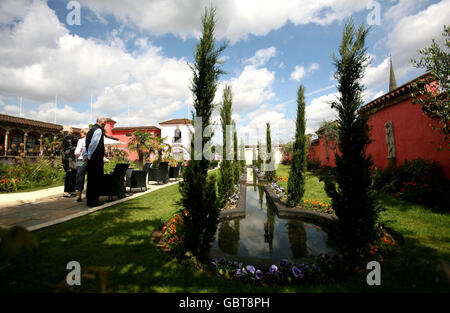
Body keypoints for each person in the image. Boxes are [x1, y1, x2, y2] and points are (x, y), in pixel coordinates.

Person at [83, 117, 106, 207]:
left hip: (91, 158)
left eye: (105, 123)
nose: (104, 124)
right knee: (96, 179)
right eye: (103, 123)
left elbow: (86, 144)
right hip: (95, 159)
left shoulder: (90, 130)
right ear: (99, 122)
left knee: (91, 179)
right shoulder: (98, 130)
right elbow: (93, 144)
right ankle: (94, 200)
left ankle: (90, 200)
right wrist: (88, 155)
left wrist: (86, 154)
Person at [62, 126, 77, 198]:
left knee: (73, 173)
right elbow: (71, 146)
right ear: (68, 130)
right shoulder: (67, 137)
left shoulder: (70, 137)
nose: (72, 129)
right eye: (71, 128)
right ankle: (66, 191)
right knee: (69, 173)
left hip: (72, 158)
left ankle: (70, 190)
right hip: (69, 158)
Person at [74, 128, 89, 202]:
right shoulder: (91, 140)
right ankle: (88, 194)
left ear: (84, 133)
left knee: (79, 177)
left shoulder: (80, 140)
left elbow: (76, 152)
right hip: (89, 160)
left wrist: (77, 155)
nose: (80, 134)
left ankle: (79, 196)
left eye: (82, 132)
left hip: (80, 159)